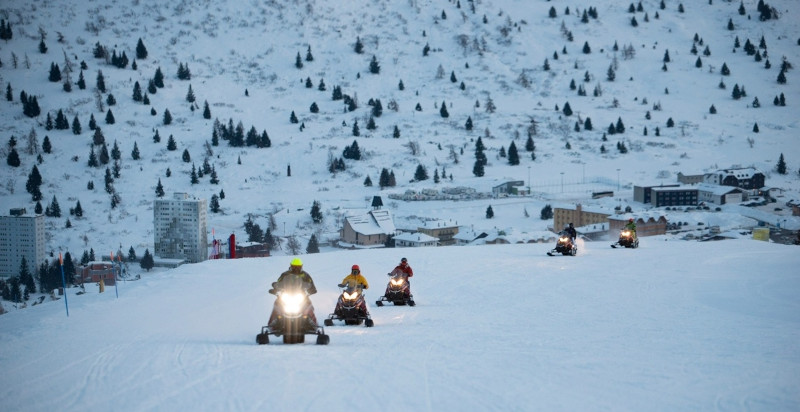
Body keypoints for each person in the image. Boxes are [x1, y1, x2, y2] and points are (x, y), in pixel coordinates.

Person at [268, 258, 318, 329]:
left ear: (301, 266)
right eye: (294, 267)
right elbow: (279, 283)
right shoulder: (285, 274)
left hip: (301, 295)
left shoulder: (305, 275)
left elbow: (311, 284)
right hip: (286, 295)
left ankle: (312, 323)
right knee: (277, 304)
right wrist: (275, 289)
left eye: (298, 267)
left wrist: (312, 289)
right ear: (291, 266)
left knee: (308, 304)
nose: (296, 269)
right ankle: (273, 323)